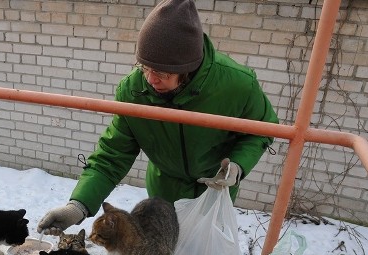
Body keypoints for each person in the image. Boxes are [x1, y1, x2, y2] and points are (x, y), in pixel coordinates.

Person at [37, 0, 279, 236]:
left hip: (213, 190)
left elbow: (263, 129)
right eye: (145, 67)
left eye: (162, 73)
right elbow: (113, 155)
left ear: (188, 69)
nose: (151, 79)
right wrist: (78, 205)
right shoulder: (134, 90)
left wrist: (237, 165)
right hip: (163, 189)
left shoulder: (237, 85)